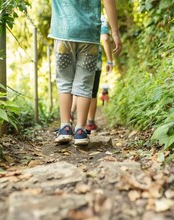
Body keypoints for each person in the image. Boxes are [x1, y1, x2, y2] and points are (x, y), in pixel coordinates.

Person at [49, 0, 122, 146]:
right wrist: (115, 31)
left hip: (63, 33)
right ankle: (81, 131)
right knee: (84, 83)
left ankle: (64, 128)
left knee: (64, 82)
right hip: (89, 37)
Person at [70, 15, 114, 133]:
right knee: (92, 92)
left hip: (74, 55)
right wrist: (110, 60)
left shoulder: (74, 8)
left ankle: (69, 116)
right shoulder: (99, 16)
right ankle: (89, 123)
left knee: (76, 87)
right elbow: (104, 38)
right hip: (93, 59)